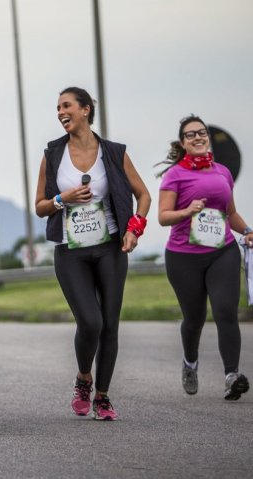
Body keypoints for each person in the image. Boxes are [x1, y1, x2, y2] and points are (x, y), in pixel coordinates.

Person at [34, 87, 151, 421]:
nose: (60, 112)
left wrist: (134, 229)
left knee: (110, 325)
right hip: (70, 251)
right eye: (57, 107)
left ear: (86, 110)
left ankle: (103, 396)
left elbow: (143, 195)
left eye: (67, 105)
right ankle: (84, 377)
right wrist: (63, 198)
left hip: (111, 246)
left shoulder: (113, 152)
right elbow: (41, 207)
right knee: (90, 321)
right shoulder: (53, 153)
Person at [157, 114, 252, 401]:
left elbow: (230, 213)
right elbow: (163, 217)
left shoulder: (222, 172)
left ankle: (231, 375)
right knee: (194, 318)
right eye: (190, 135)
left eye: (202, 133)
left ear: (208, 138)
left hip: (222, 252)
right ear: (183, 143)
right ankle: (189, 362)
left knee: (225, 311)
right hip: (183, 257)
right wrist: (187, 211)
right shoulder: (175, 175)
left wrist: (247, 230)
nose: (198, 138)